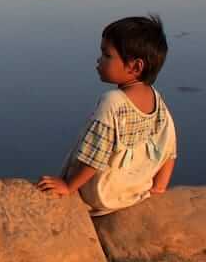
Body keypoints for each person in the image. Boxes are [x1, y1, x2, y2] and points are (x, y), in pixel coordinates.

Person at [38, 16, 176, 216]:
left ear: (135, 67)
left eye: (106, 55)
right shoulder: (156, 98)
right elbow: (169, 148)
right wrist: (159, 187)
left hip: (103, 196)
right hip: (135, 191)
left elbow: (95, 156)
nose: (99, 60)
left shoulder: (112, 102)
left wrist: (68, 186)